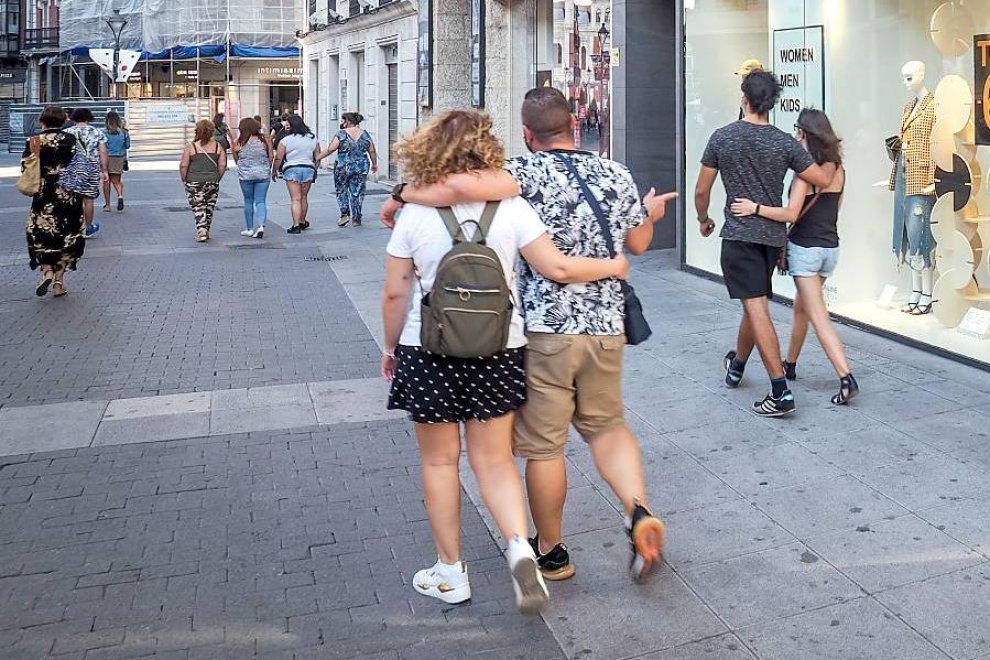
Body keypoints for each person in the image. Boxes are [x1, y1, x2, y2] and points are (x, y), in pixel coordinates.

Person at [381, 87, 676, 584]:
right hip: (605, 326)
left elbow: (450, 193)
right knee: (607, 427)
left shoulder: (515, 177)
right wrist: (648, 216)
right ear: (575, 126)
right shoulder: (615, 172)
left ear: (526, 134)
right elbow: (640, 244)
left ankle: (551, 552)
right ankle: (637, 510)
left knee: (543, 448)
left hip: (540, 332)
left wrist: (402, 194)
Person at [694, 69, 833, 417]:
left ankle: (779, 390)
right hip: (771, 240)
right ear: (772, 104)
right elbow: (821, 178)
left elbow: (701, 190)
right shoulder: (784, 143)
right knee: (753, 304)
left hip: (740, 236)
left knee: (756, 308)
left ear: (744, 99)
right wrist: (823, 147)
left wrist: (704, 219)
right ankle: (738, 365)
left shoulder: (722, 137)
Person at [729, 108, 859, 405]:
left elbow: (790, 214)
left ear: (803, 133)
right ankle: (790, 364)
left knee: (818, 316)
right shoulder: (839, 170)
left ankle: (846, 377)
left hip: (806, 250)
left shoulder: (806, 173)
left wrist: (755, 208)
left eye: (797, 131)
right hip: (830, 249)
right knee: (802, 308)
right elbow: (834, 210)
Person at [24, 106, 85, 298]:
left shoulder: (34, 141)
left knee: (41, 233)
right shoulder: (72, 139)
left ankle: (46, 271)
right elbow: (82, 164)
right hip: (68, 194)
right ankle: (59, 283)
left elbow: (25, 168)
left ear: (42, 120)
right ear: (63, 121)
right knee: (68, 236)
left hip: (44, 194)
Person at [320, 111, 378, 227]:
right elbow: (372, 150)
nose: (342, 123)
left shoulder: (341, 134)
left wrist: (318, 157)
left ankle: (344, 214)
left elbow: (331, 149)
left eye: (343, 120)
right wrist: (374, 164)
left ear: (348, 121)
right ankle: (356, 218)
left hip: (343, 166)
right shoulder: (365, 134)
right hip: (361, 167)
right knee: (357, 192)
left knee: (341, 190)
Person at [64, 108, 109, 238]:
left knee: (73, 199)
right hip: (91, 169)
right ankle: (87, 228)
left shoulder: (67, 133)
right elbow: (103, 152)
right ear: (88, 118)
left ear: (73, 118)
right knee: (89, 199)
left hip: (73, 170)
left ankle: (73, 228)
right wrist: (104, 170)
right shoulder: (97, 132)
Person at [179, 119, 227, 243]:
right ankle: (206, 229)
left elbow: (184, 165)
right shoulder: (218, 146)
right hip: (212, 180)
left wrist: (184, 178)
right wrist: (217, 177)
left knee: (198, 206)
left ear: (197, 131)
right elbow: (222, 165)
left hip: (193, 180)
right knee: (209, 206)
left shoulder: (191, 147)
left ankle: (202, 231)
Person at [272, 114, 319, 234]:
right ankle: (303, 221)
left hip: (292, 169)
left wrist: (274, 171)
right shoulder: (312, 138)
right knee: (304, 197)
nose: (286, 128)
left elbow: (278, 157)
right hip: (308, 168)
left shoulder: (285, 140)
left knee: (295, 199)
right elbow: (317, 157)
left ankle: (296, 225)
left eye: (288, 126)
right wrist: (314, 168)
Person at [232, 116, 273, 239]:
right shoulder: (265, 139)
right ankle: (261, 225)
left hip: (246, 175)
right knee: (261, 201)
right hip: (263, 174)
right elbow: (270, 156)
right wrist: (267, 167)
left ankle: (249, 228)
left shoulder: (238, 142)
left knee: (248, 201)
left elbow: (236, 159)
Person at [103, 110, 130, 212]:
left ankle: (107, 205)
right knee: (117, 181)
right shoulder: (124, 133)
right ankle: (120, 196)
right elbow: (127, 146)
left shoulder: (104, 133)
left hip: (107, 158)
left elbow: (102, 147)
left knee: (106, 181)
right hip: (119, 158)